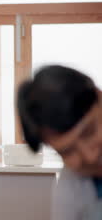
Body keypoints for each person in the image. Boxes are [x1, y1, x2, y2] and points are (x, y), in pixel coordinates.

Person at [17, 65, 102, 220]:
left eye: (89, 132)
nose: (90, 157)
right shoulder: (69, 189)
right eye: (68, 151)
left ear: (100, 97)